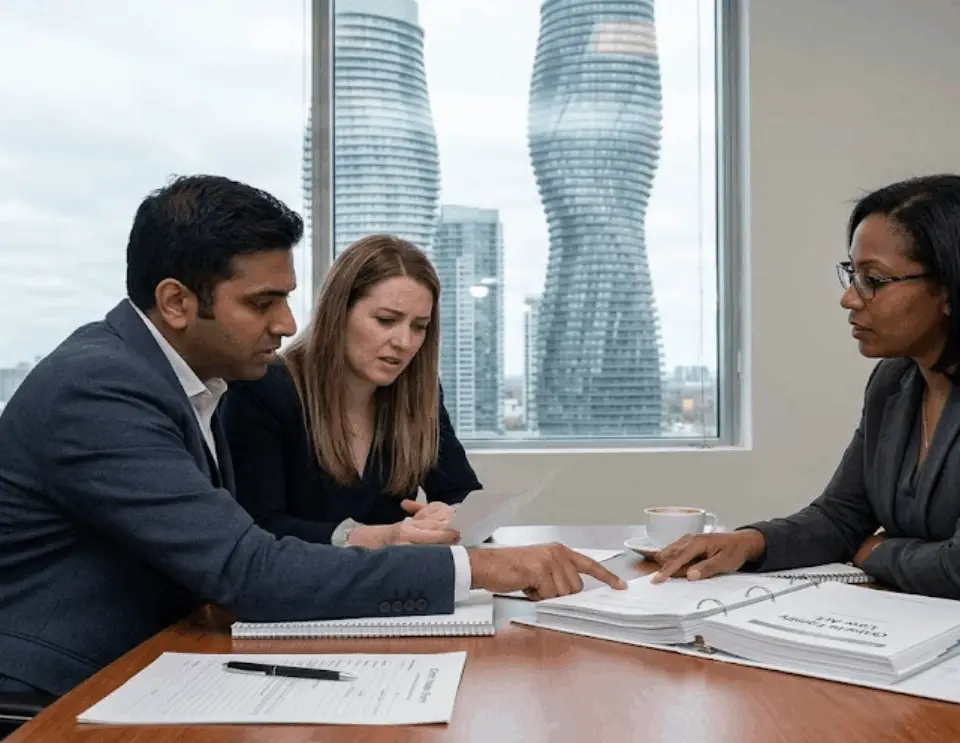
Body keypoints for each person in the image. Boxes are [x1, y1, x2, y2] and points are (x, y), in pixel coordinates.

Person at [0, 175, 625, 699]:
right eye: (263, 302)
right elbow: (250, 565)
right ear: (176, 302)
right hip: (56, 690)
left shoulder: (195, 383)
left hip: (155, 662)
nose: (288, 323)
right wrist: (479, 566)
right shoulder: (102, 389)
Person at [652, 174, 960, 600]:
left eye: (874, 279)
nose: (850, 298)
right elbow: (842, 516)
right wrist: (747, 543)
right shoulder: (894, 382)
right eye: (852, 274)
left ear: (948, 289)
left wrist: (876, 552)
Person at [221, 234, 481, 549]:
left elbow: (461, 492)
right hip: (301, 589)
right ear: (338, 313)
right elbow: (256, 526)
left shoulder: (419, 392)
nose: (405, 342)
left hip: (394, 590)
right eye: (386, 320)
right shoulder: (263, 389)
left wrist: (448, 514)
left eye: (419, 327)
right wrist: (366, 537)